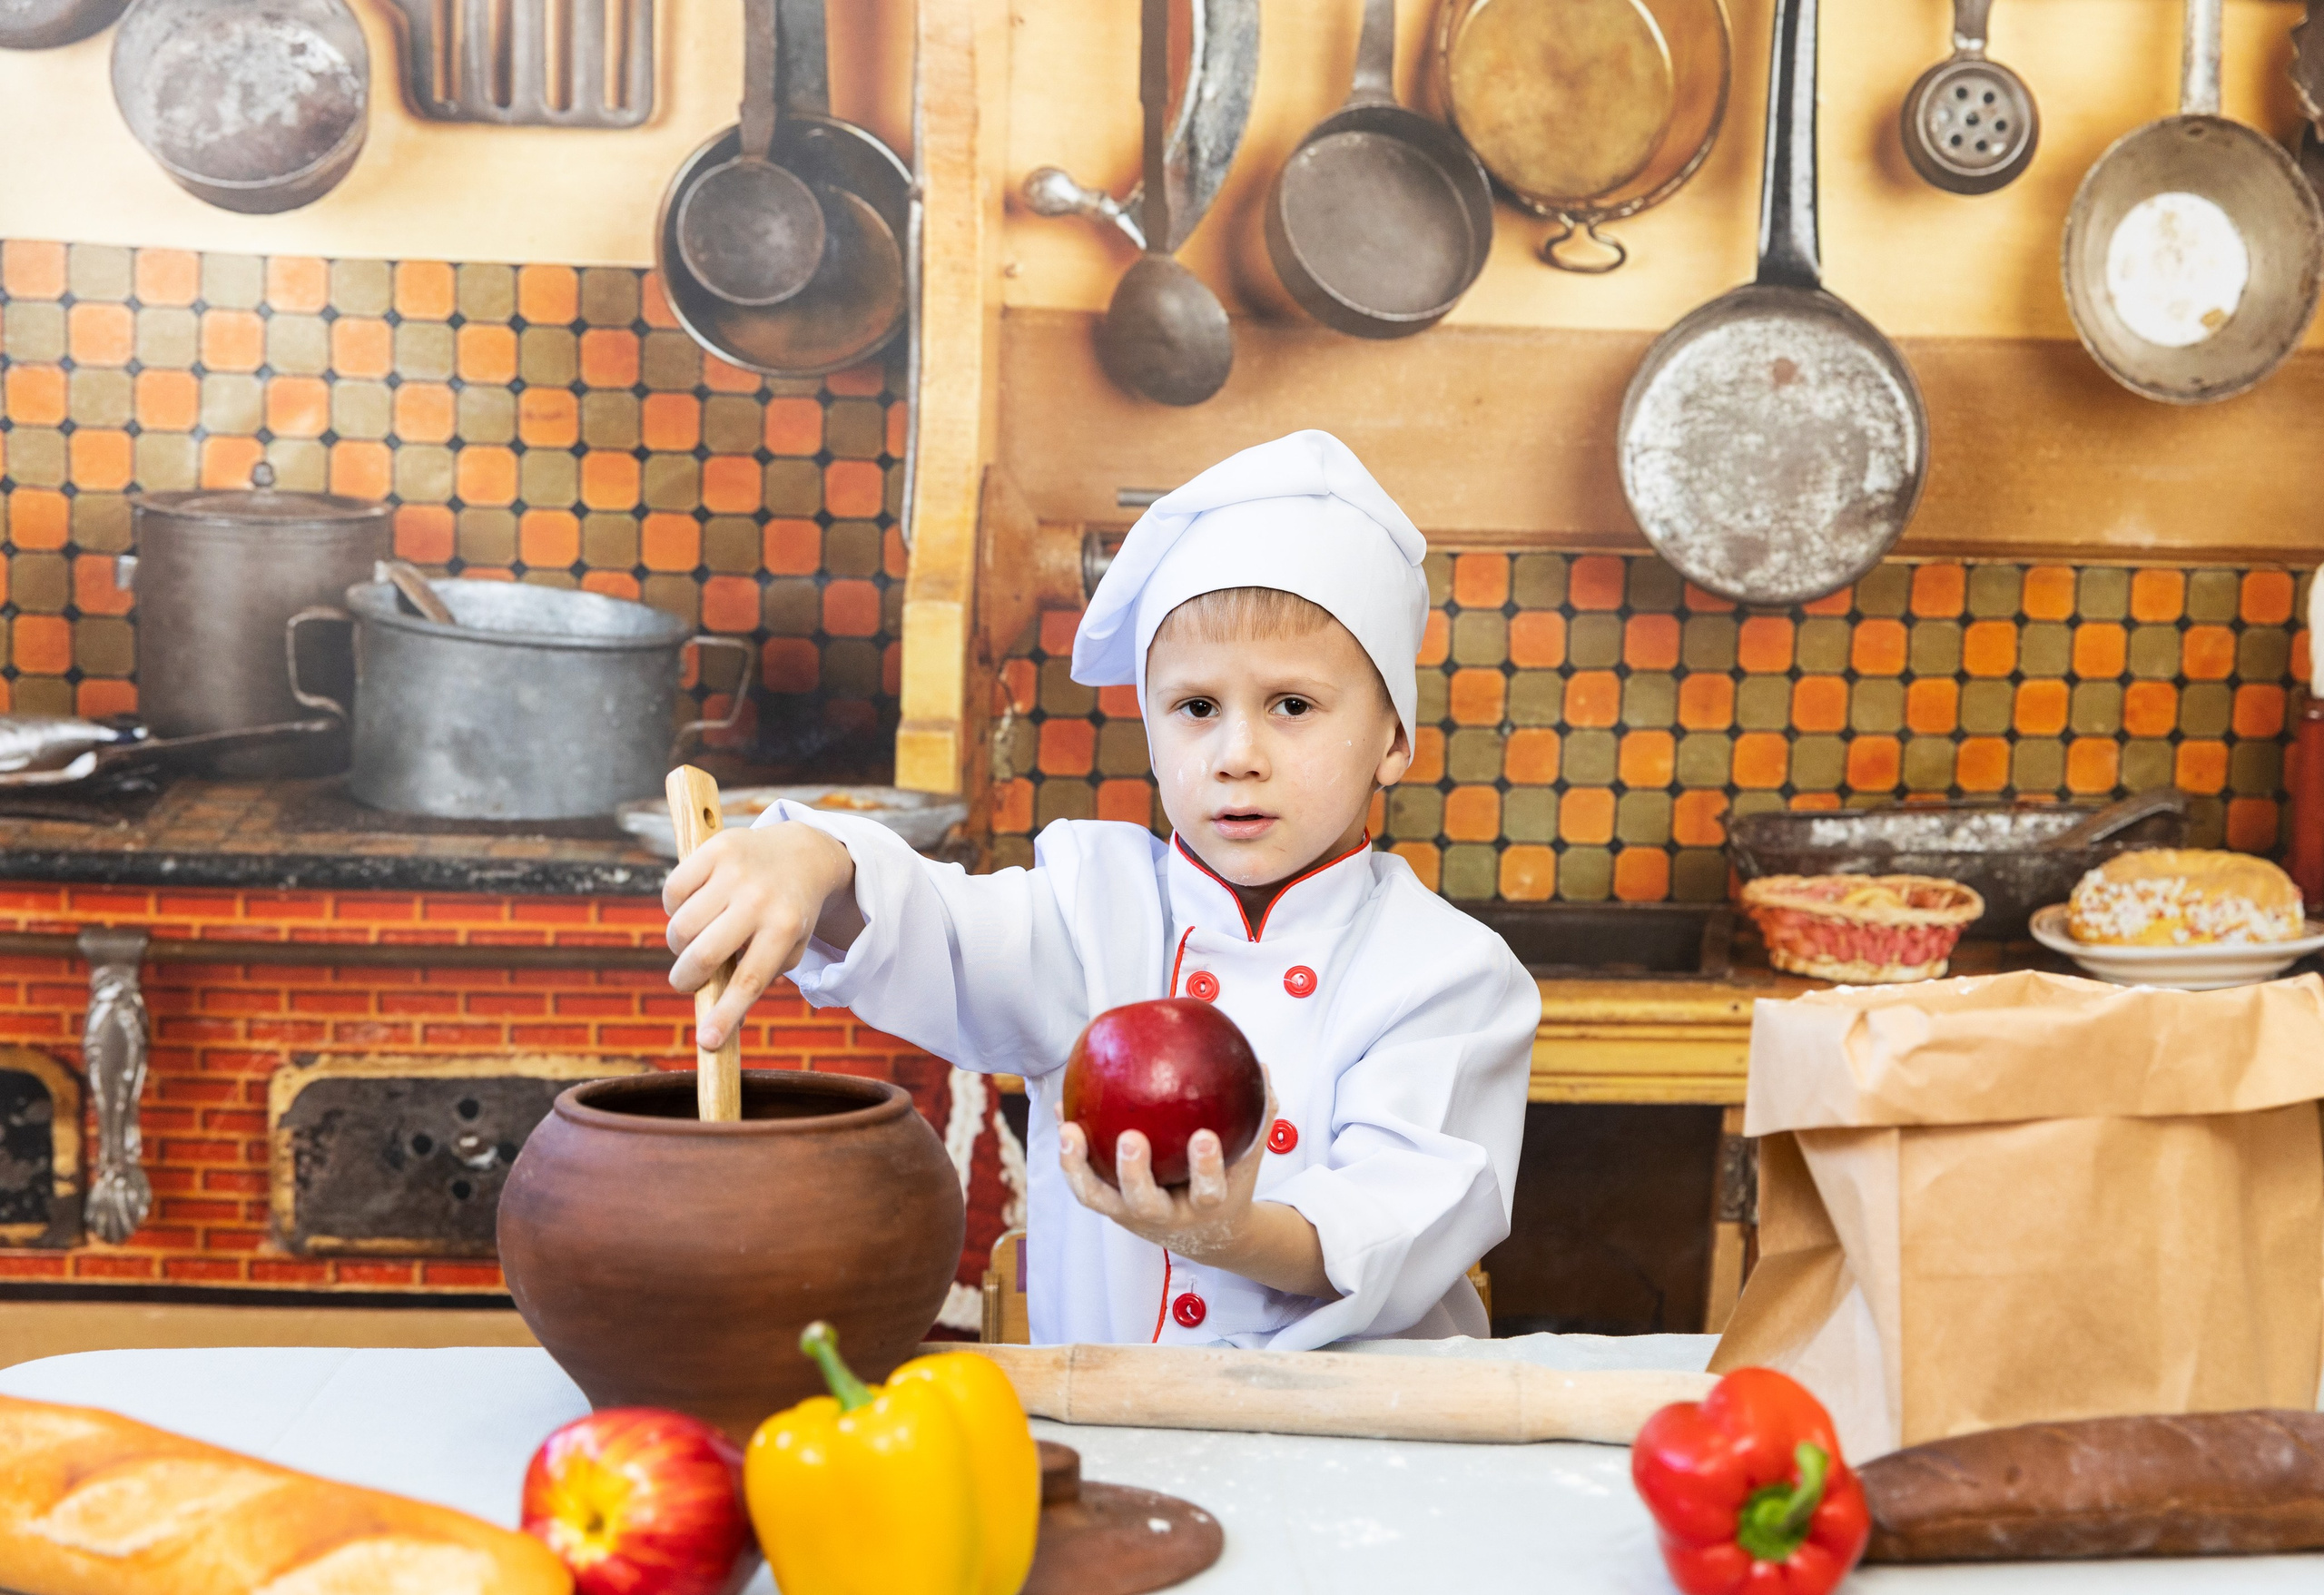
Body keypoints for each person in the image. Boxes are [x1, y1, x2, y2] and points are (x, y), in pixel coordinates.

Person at [663, 429, 1538, 1348]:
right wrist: (814, 862)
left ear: (1395, 738)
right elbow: (944, 926)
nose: (1237, 756)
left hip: (1363, 1452)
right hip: (1120, 1435)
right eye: (1195, 707)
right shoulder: (1090, 908)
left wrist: (1225, 1233)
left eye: (1292, 705)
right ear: (1151, 730)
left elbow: (1396, 1225)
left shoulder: (1448, 974)